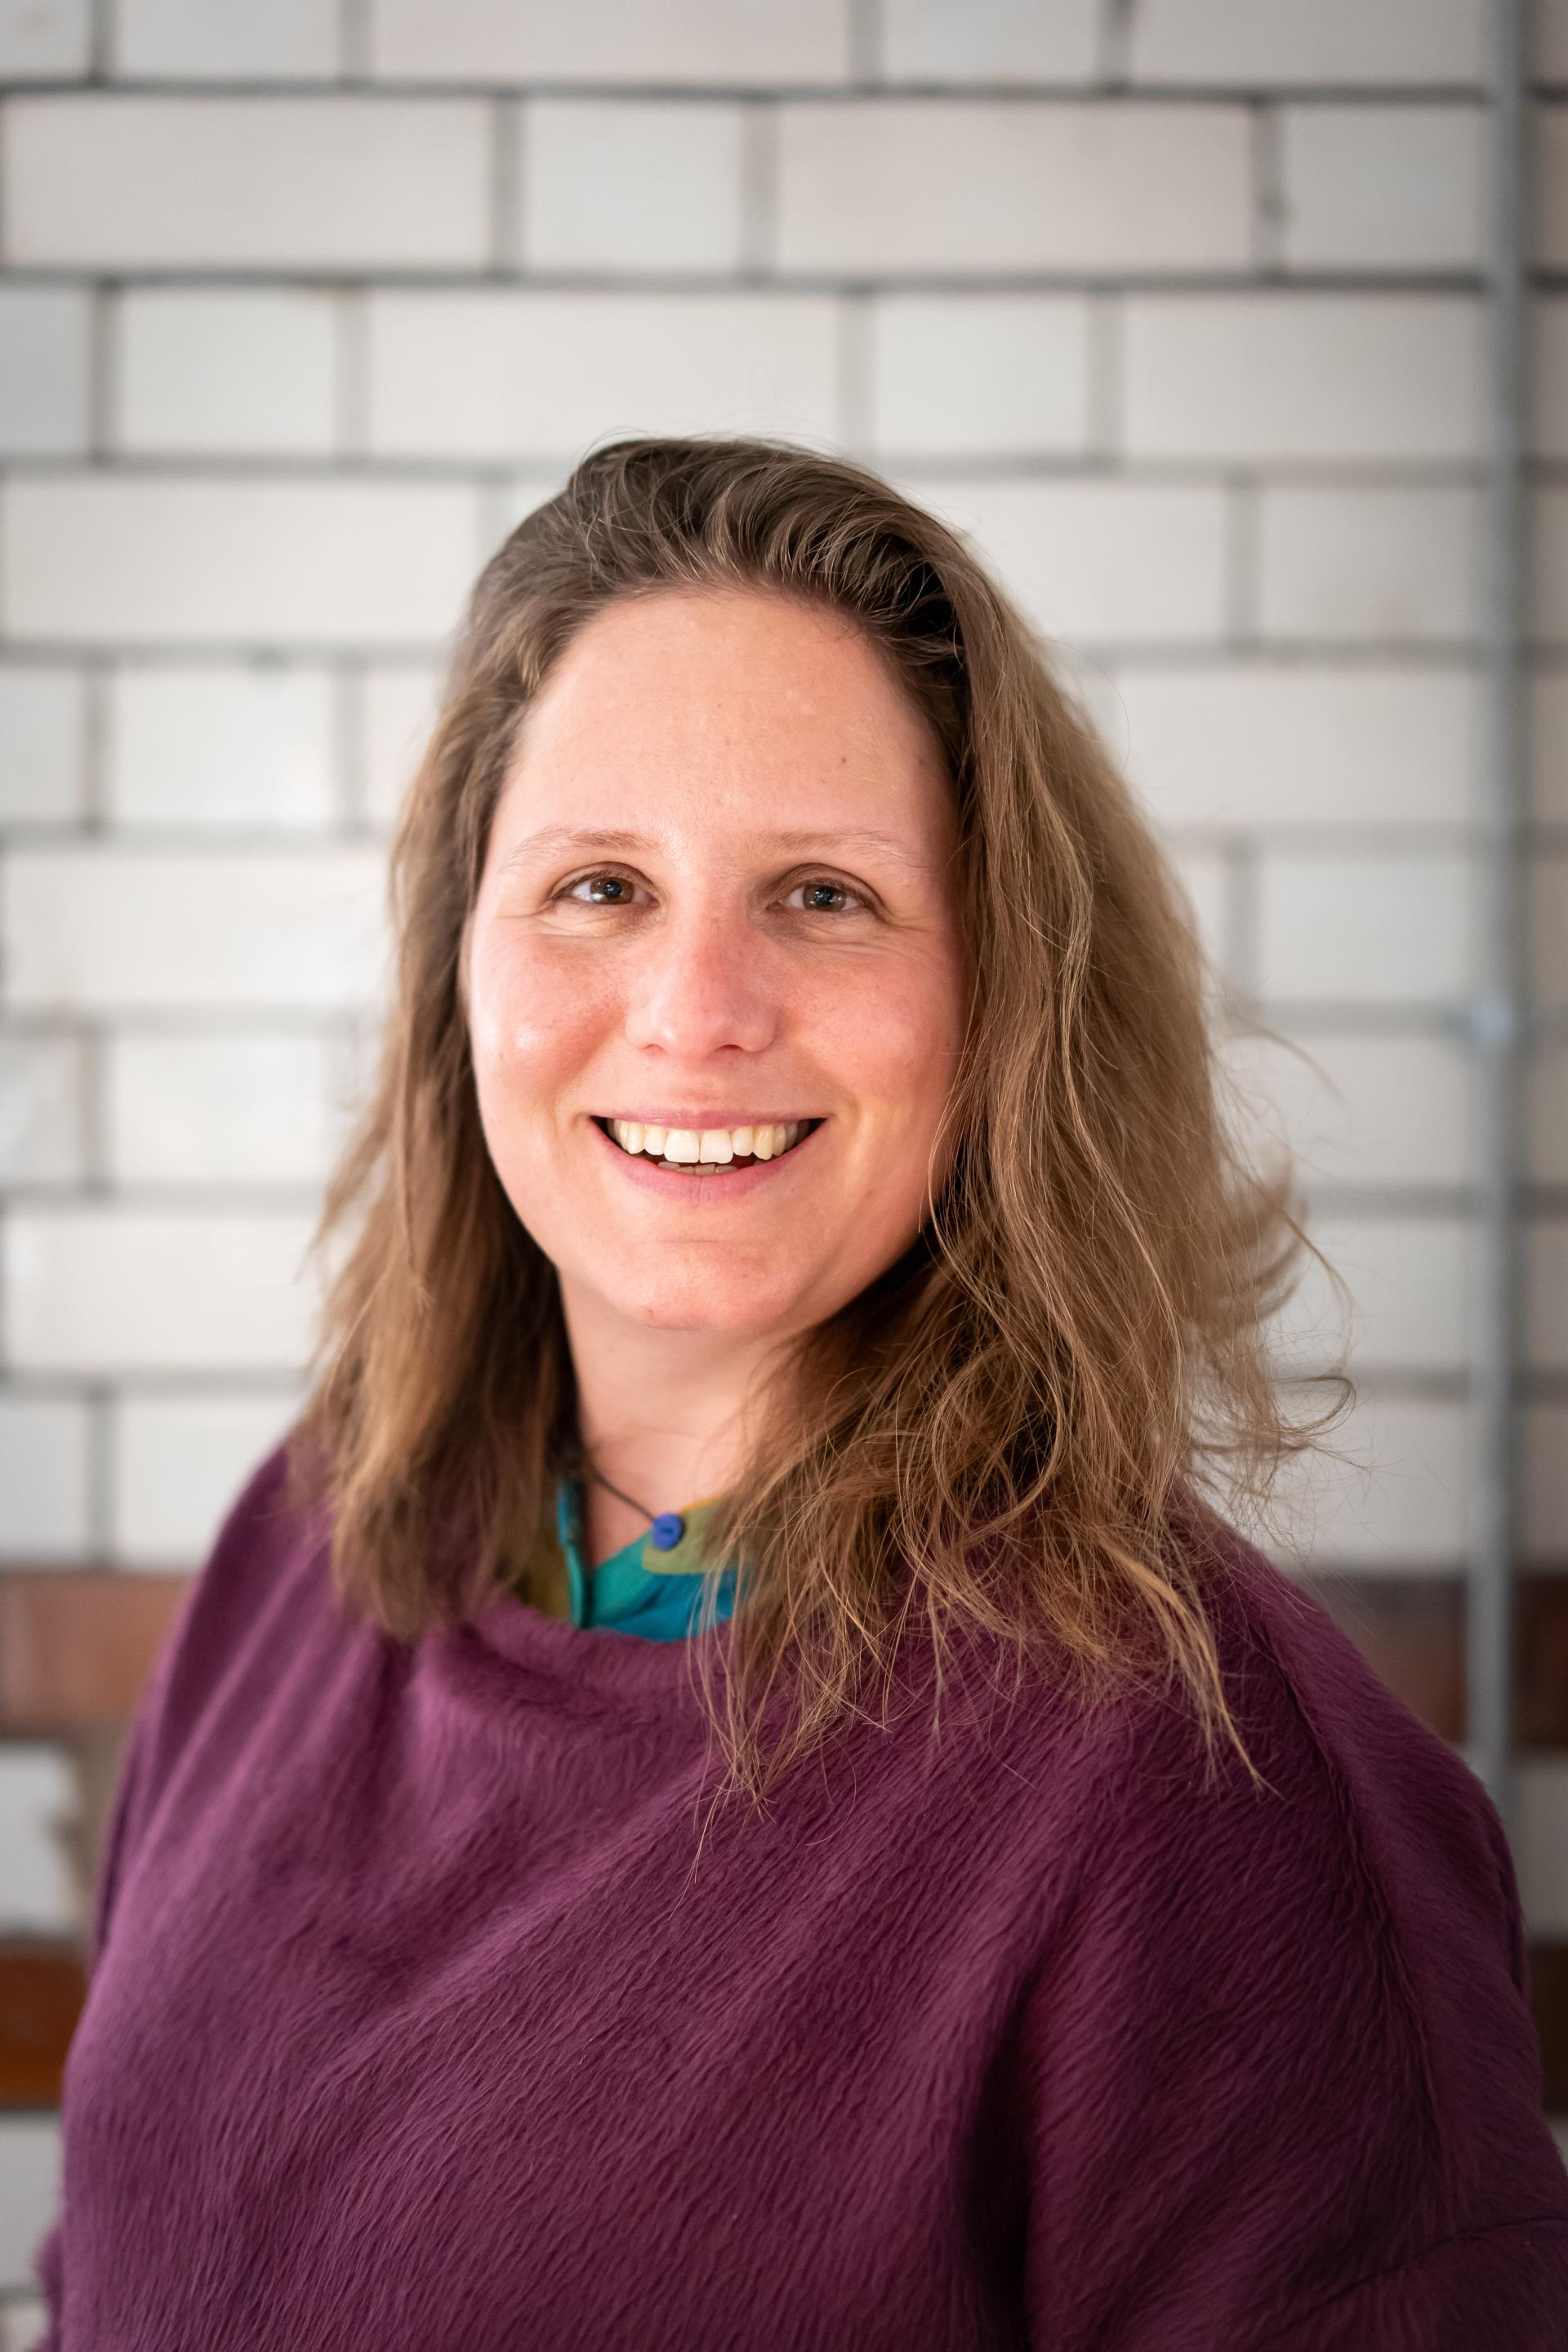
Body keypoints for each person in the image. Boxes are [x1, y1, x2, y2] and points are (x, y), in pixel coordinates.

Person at [31, 438, 1568, 2349]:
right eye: (600, 884)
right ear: (459, 973)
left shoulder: (1228, 1792)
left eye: (825, 895)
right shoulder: (313, 1538)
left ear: (1003, 999)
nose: (698, 1010)